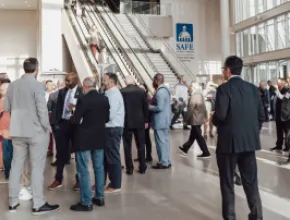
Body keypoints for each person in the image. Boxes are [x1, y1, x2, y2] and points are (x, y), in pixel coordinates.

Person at [4, 58, 59, 214]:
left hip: (17, 131)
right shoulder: (37, 85)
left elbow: (7, 107)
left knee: (16, 167)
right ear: (37, 69)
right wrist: (46, 127)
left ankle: (13, 202)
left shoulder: (13, 85)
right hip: (35, 132)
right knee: (37, 168)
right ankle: (38, 204)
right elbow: (42, 110)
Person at [213, 56, 264, 220]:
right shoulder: (253, 89)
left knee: (227, 183)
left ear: (228, 70)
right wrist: (251, 132)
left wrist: (214, 120)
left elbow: (220, 116)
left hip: (228, 144)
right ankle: (256, 215)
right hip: (249, 143)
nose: (223, 72)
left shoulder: (223, 89)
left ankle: (230, 217)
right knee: (251, 182)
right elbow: (261, 116)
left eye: (223, 70)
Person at [70, 77, 110, 211]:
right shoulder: (104, 99)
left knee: (83, 170)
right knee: (99, 168)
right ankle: (99, 197)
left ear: (84, 86)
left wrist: (72, 114)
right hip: (99, 137)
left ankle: (86, 202)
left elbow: (76, 120)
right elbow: (107, 118)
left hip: (84, 139)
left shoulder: (83, 99)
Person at [48, 72, 83, 190]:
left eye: (69, 81)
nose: (67, 83)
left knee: (78, 153)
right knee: (61, 152)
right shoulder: (63, 92)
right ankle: (58, 179)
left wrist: (75, 108)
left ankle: (79, 180)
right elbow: (57, 108)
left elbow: (85, 108)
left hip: (76, 125)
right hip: (63, 124)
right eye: (66, 80)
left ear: (76, 81)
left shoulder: (82, 92)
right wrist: (55, 123)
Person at [121, 75, 148, 175]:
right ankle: (142, 167)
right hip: (139, 121)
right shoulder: (141, 91)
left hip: (126, 122)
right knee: (141, 145)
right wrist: (146, 120)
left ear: (125, 82)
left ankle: (129, 168)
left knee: (127, 146)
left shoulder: (122, 91)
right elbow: (145, 107)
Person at [103, 73, 124, 193]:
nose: (103, 82)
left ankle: (115, 184)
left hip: (112, 128)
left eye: (105, 80)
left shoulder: (114, 94)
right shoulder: (110, 93)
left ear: (111, 82)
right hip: (110, 128)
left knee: (113, 156)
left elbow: (110, 115)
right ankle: (105, 182)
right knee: (107, 157)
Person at [179, 82, 211, 159]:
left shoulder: (194, 96)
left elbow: (190, 109)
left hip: (195, 119)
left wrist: (186, 119)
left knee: (199, 136)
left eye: (190, 88)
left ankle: (206, 152)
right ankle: (185, 148)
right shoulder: (200, 95)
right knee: (193, 135)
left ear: (193, 88)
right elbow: (204, 107)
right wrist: (206, 116)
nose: (189, 89)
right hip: (200, 118)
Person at [149, 73, 172, 169]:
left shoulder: (160, 92)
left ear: (157, 80)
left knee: (160, 142)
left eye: (154, 80)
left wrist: (148, 107)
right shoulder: (166, 91)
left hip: (160, 121)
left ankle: (163, 162)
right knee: (165, 141)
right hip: (165, 120)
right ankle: (167, 160)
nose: (153, 82)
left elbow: (159, 107)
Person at [270, 78, 287, 152]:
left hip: (283, 115)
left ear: (282, 83)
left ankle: (287, 146)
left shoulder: (286, 90)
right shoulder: (279, 90)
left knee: (286, 132)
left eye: (278, 83)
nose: (277, 84)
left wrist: (277, 91)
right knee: (278, 130)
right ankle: (279, 145)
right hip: (278, 114)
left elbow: (283, 99)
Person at [0, 79, 12, 183]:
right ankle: (8, 176)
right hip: (4, 133)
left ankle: (14, 176)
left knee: (13, 156)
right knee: (7, 156)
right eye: (1, 89)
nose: (2, 90)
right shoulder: (1, 101)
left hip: (14, 133)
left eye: (5, 88)